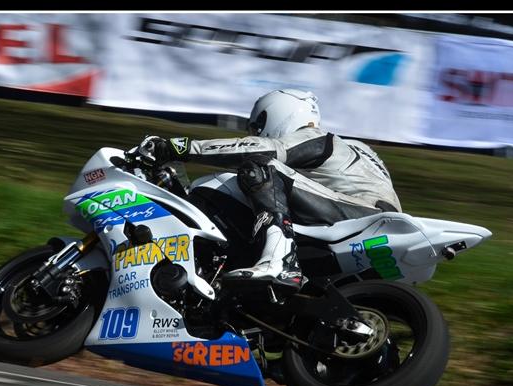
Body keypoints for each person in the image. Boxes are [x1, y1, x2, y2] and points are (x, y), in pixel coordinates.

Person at [138, 89, 402, 292]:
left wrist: (178, 148)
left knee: (260, 165)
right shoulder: (358, 150)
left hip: (360, 215)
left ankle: (280, 261)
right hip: (376, 222)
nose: (257, 132)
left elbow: (262, 149)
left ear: (280, 112)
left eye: (258, 126)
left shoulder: (316, 137)